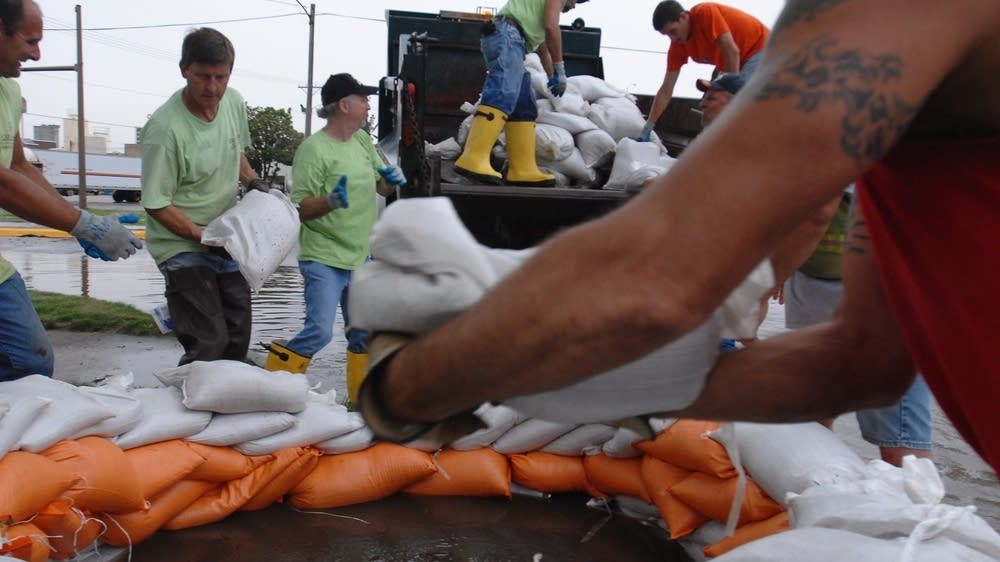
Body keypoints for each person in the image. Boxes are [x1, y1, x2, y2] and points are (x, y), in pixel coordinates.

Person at [357, 0, 1000, 475]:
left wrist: (413, 384)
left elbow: (656, 283)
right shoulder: (912, 119)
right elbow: (857, 367)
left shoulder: (869, 18)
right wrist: (575, 382)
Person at [0, 0, 142, 382]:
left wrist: (72, 221)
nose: (37, 54)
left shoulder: (9, 93)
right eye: (30, 41)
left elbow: (18, 166)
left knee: (29, 362)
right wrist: (82, 223)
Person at [264, 73, 405, 405]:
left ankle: (359, 403)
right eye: (363, 99)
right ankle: (270, 389)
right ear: (344, 105)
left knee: (363, 333)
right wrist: (329, 202)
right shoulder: (313, 150)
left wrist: (390, 181)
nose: (369, 105)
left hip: (360, 256)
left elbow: (379, 186)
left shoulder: (360, 143)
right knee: (319, 332)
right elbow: (300, 207)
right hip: (323, 258)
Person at [141, 27, 269, 366]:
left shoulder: (234, 102)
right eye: (203, 77)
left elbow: (235, 151)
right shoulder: (165, 130)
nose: (212, 88)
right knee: (210, 341)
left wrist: (252, 180)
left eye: (220, 77)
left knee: (238, 334)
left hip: (224, 236)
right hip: (182, 245)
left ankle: (226, 412)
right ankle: (189, 404)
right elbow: (156, 203)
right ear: (184, 69)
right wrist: (204, 237)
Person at [454, 0, 588, 187]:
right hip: (507, 34)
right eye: (575, 1)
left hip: (511, 38)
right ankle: (473, 156)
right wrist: (561, 69)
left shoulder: (535, 15)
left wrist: (552, 76)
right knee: (503, 92)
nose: (573, 6)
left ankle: (522, 169)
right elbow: (552, 28)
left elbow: (543, 49)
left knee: (524, 107)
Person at [638, 1, 769, 142]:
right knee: (711, 100)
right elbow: (666, 89)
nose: (673, 39)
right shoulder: (678, 46)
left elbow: (731, 51)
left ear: (684, 16)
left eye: (673, 31)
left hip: (760, 48)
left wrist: (729, 98)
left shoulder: (704, 13)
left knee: (734, 99)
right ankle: (712, 142)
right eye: (667, 35)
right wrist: (648, 127)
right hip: (731, 61)